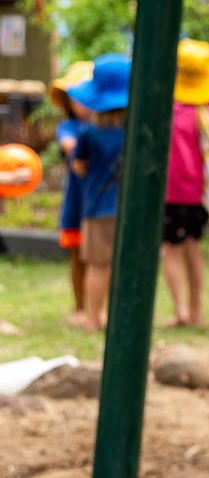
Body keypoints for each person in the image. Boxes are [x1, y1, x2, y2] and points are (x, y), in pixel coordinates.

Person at [162, 39, 209, 326]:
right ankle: (197, 310)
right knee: (193, 249)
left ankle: (181, 311)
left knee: (171, 251)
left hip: (171, 193)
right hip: (201, 194)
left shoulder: (168, 110)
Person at [66, 53, 130, 332]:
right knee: (123, 268)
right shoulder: (136, 131)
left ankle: (94, 319)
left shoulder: (89, 133)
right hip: (129, 210)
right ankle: (121, 319)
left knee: (97, 266)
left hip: (97, 209)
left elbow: (79, 167)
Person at [49, 61, 94, 317]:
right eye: (78, 99)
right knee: (78, 255)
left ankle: (98, 306)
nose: (83, 105)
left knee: (101, 259)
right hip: (78, 201)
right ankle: (79, 307)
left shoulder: (104, 127)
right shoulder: (68, 128)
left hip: (102, 202)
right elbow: (69, 146)